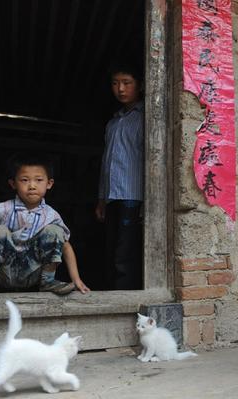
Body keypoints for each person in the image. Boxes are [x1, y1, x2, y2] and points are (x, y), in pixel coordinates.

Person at [0, 154, 90, 299]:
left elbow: (66, 246)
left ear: (49, 184)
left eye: (39, 180)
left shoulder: (51, 215)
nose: (32, 186)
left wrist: (76, 279)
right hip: (3, 273)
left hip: (34, 274)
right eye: (25, 180)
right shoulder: (3, 209)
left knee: (55, 231)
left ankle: (48, 282)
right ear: (13, 184)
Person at [95, 64, 144, 290]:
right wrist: (101, 198)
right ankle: (112, 291)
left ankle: (125, 294)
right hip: (112, 196)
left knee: (126, 252)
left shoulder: (145, 118)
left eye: (127, 83)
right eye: (115, 83)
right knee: (111, 249)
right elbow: (107, 163)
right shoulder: (113, 123)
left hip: (133, 195)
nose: (120, 89)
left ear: (140, 85)